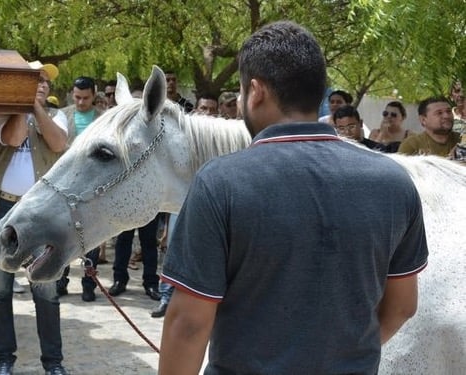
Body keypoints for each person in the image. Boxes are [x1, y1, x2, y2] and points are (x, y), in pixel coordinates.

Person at [159, 21, 428, 374]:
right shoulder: (394, 182)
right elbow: (403, 306)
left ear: (255, 91)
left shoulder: (220, 182)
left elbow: (189, 324)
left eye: (241, 94)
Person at [0, 61, 69, 375]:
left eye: (45, 82)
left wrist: (36, 108)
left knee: (45, 288)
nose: (42, 85)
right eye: (34, 81)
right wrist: (22, 105)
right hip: (1, 210)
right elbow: (14, 138)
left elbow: (57, 142)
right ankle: (4, 361)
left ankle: (53, 363)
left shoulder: (58, 116)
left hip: (42, 215)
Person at [56, 75, 104, 302]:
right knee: (62, 234)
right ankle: (61, 279)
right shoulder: (61, 116)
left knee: (91, 239)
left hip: (92, 187)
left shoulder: (104, 119)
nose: (81, 102)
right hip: (65, 184)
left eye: (85, 98)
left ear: (94, 95)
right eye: (77, 97)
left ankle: (89, 283)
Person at [108, 215, 162, 301]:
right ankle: (119, 280)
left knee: (149, 241)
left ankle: (151, 283)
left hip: (148, 206)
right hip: (126, 207)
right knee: (123, 240)